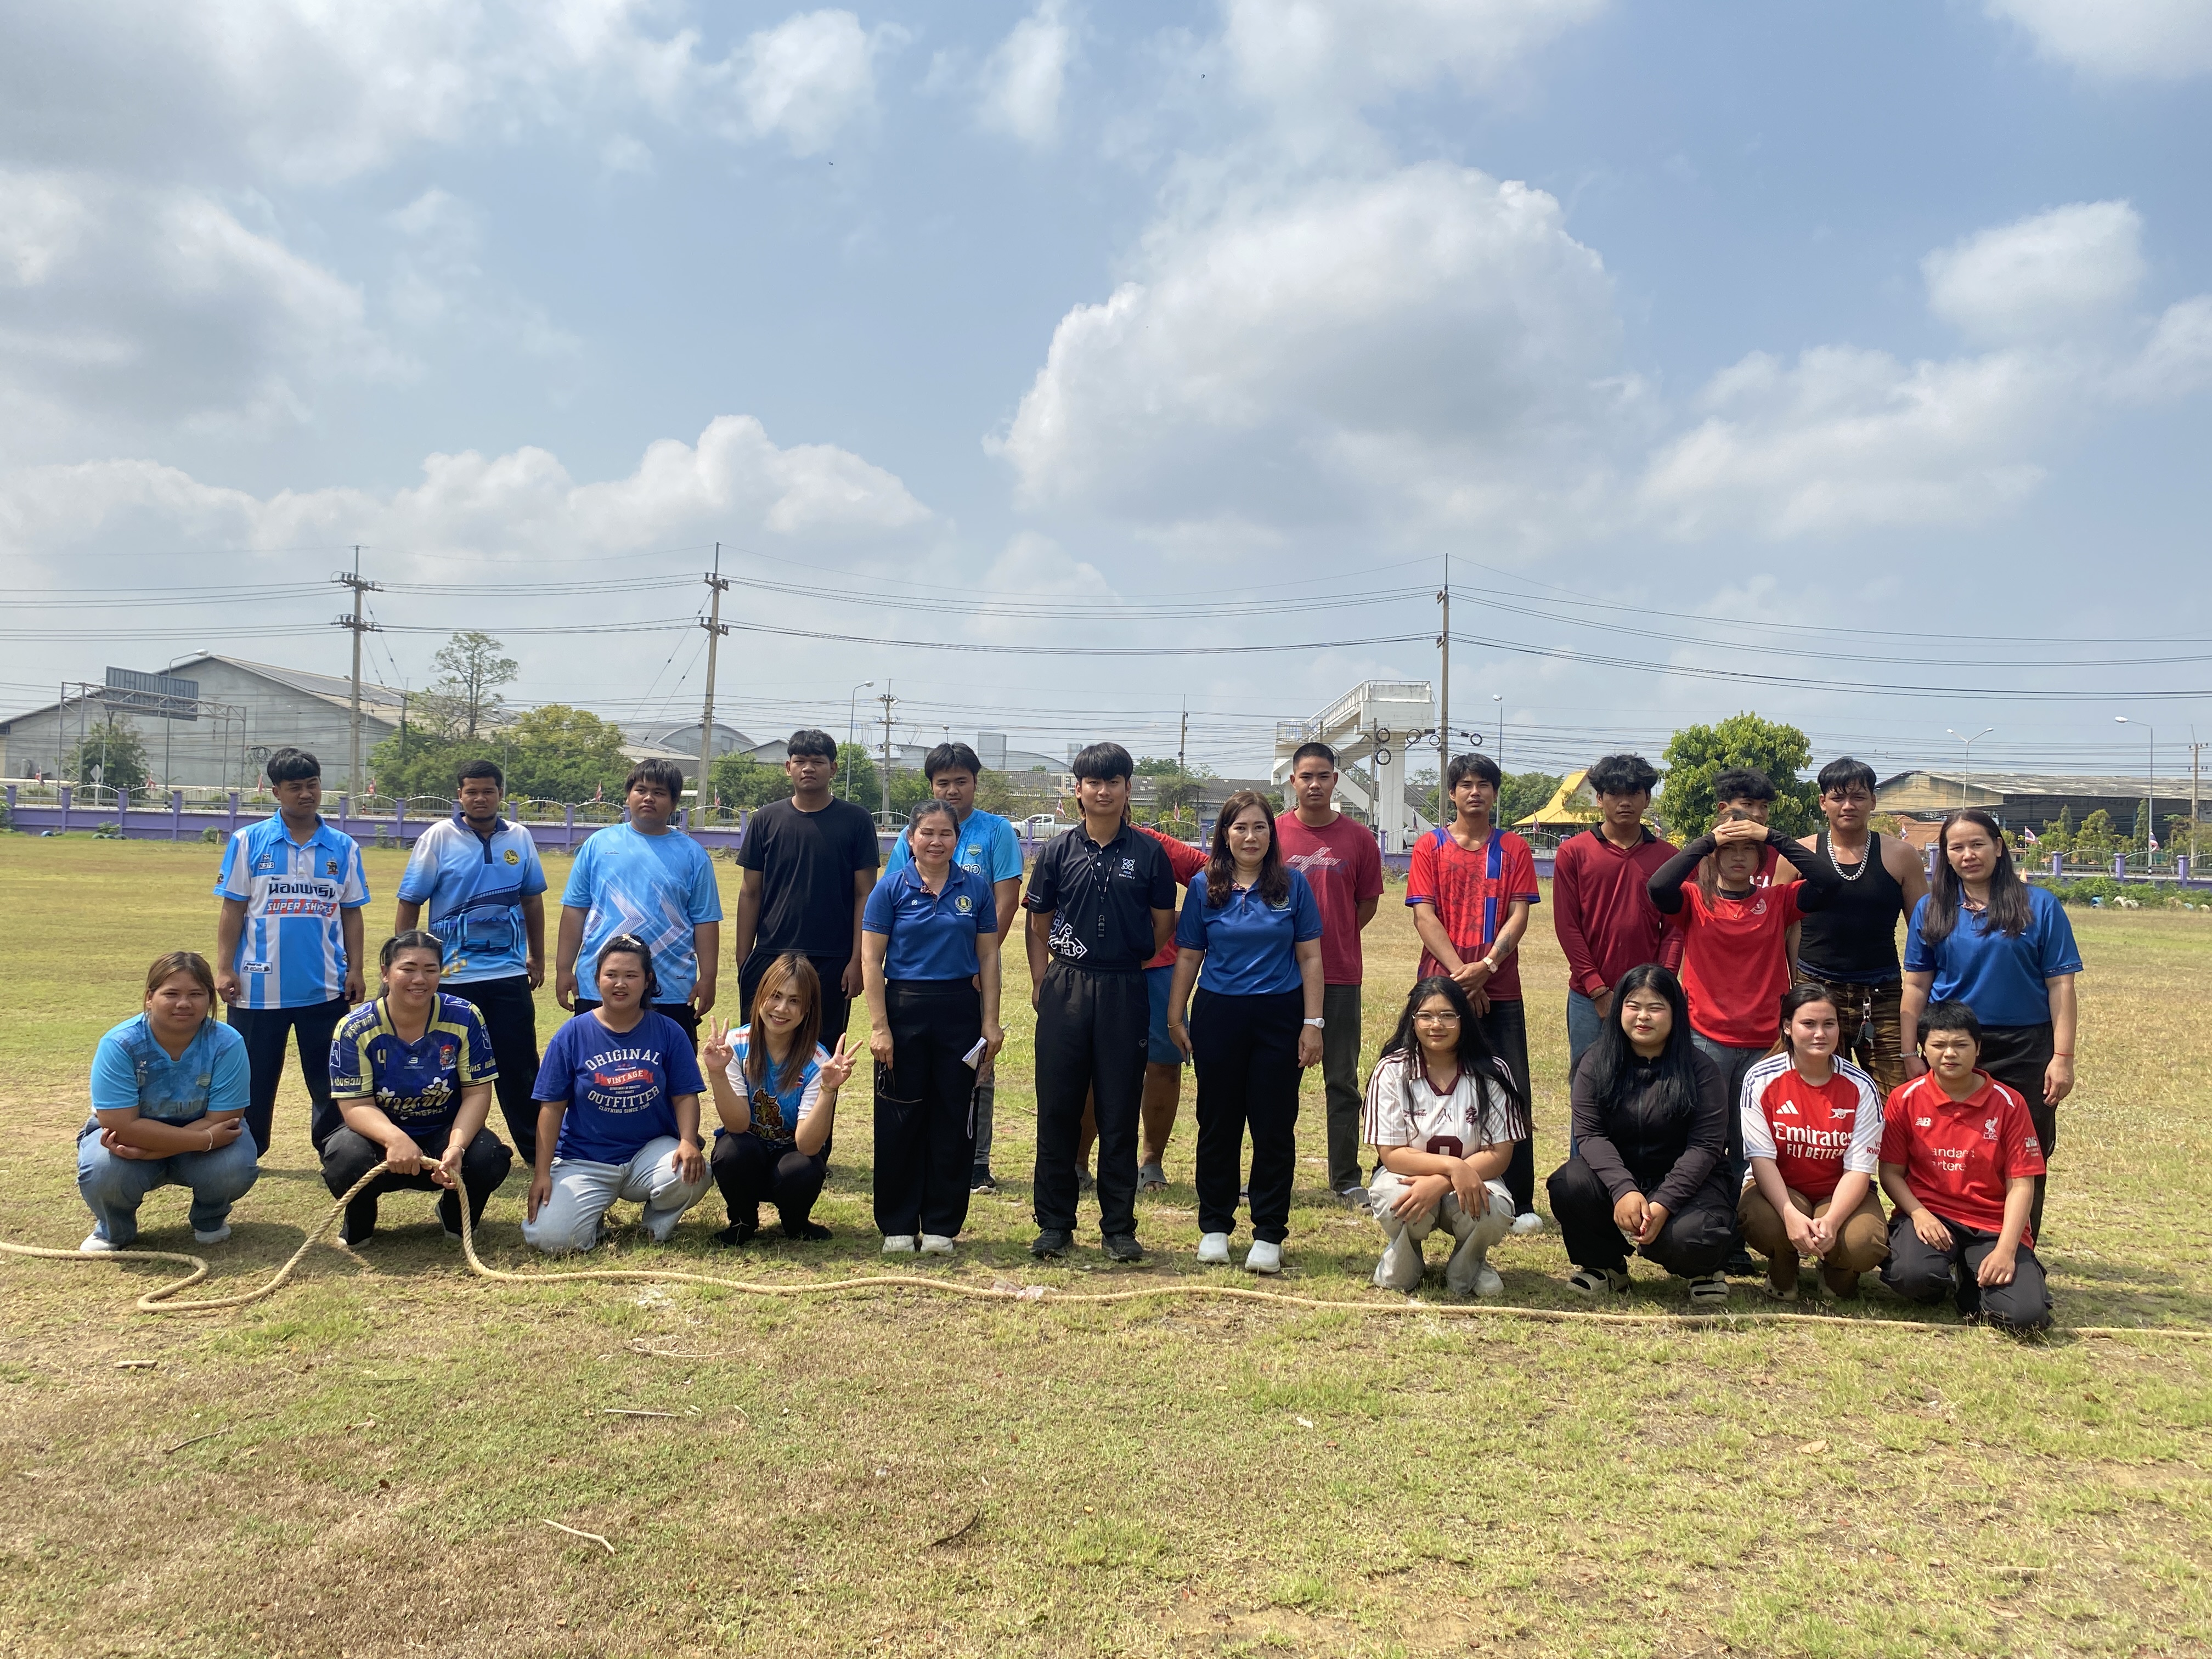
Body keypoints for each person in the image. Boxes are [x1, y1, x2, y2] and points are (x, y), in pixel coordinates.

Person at [1023, 741, 1177, 1261]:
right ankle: (1054, 1223)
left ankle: (1118, 1227)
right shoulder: (1057, 851)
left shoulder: (1149, 853)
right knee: (1058, 1108)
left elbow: (1162, 926)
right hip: (1066, 985)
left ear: (1128, 789)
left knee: (1118, 1107)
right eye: (1094, 782)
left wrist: (1126, 957)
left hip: (1124, 987)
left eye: (1113, 782)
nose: (1103, 791)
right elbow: (1039, 921)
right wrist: (1056, 969)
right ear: (1079, 790)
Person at [1900, 808, 2079, 1240]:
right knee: (1948, 1148)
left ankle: (2018, 1246)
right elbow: (1917, 985)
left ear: (1999, 847)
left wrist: (2062, 1057)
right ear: (1945, 855)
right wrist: (1909, 1052)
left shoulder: (2040, 905)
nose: (1968, 855)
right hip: (1951, 1044)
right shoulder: (1931, 909)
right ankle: (1947, 1242)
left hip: (2025, 1048)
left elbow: (2061, 986)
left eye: (1978, 844)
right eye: (1956, 847)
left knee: (2025, 1153)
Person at [1165, 790, 1324, 1274]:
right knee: (1218, 1122)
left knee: (1273, 1125)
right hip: (1220, 1014)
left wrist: (1313, 1023)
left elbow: (1310, 957)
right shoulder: (1204, 886)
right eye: (1240, 828)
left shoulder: (1293, 885)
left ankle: (1269, 1232)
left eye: (1259, 827)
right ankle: (1215, 1225)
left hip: (1280, 1014)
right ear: (1224, 834)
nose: (1250, 837)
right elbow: (1189, 955)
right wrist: (1175, 1016)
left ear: (1271, 834)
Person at [1645, 804, 1842, 1175]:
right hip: (1706, 1038)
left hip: (1766, 1042)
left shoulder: (1778, 901)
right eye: (1728, 849)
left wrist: (1772, 837)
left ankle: (1745, 1205)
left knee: (1752, 1142)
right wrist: (1707, 841)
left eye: (1748, 848)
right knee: (1701, 1136)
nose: (1738, 857)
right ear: (1714, 854)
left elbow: (1829, 883)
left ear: (1761, 857)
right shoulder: (1693, 900)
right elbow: (1657, 887)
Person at [862, 800, 1007, 1254]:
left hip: (959, 1010)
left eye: (946, 833)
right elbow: (871, 959)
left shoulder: (975, 889)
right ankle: (898, 1224)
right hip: (903, 1008)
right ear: (911, 838)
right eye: (927, 832)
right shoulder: (891, 888)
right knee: (900, 1116)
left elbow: (989, 956)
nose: (936, 841)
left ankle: (943, 1224)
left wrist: (990, 1021)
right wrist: (880, 1027)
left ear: (957, 840)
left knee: (953, 1116)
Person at [1407, 752, 1543, 1230]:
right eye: (1465, 784)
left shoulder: (1515, 849)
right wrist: (1462, 978)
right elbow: (1424, 915)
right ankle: (1407, 1177)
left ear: (1494, 793)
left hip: (1499, 988)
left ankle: (1520, 1200)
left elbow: (1519, 914)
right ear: (1451, 793)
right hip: (1440, 992)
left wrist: (1487, 967)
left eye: (1484, 784)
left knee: (1510, 1087)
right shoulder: (1430, 846)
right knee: (1425, 1082)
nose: (1475, 792)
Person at [882, 743, 1024, 1195]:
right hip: (918, 980)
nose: (953, 790)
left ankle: (976, 1161)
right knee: (917, 1070)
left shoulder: (996, 831)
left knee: (977, 1065)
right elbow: (894, 897)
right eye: (943, 782)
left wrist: (981, 961)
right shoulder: (914, 834)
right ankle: (922, 1154)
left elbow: (1005, 899)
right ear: (931, 786)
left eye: (962, 781)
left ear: (975, 783)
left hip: (972, 973)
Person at [213, 747, 369, 1154]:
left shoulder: (344, 847)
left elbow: (352, 913)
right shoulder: (248, 841)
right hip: (257, 989)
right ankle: (245, 1153)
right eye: (295, 787)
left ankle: (337, 1151)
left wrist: (356, 969)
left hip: (325, 987)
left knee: (330, 1079)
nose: (306, 794)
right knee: (252, 1079)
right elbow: (233, 908)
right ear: (276, 792)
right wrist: (224, 968)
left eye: (312, 785)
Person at [1546, 964, 1734, 1303]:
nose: (1643, 1017)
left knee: (1695, 1236)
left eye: (1656, 1007)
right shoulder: (1595, 1064)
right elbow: (1590, 1136)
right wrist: (1623, 1189)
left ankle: (1705, 1270)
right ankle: (1606, 1265)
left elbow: (1706, 1147)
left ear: (1675, 1013)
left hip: (1690, 1185)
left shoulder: (1701, 1070)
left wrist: (1664, 1203)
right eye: (1633, 1006)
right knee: (1568, 1182)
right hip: (1621, 1176)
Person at [393, 758, 549, 1161]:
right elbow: (410, 901)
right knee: (449, 1068)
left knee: (520, 1066)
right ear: (459, 795)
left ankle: (537, 1153)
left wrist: (536, 955)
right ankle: (447, 1147)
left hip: (507, 974)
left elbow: (532, 900)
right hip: (451, 977)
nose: (480, 798)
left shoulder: (520, 837)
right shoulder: (438, 837)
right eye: (472, 792)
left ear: (501, 794)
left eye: (488, 791)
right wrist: (402, 962)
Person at [320, 932, 513, 1247]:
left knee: (488, 1156)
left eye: (430, 969)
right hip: (379, 1141)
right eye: (408, 969)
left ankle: (455, 1215)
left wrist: (456, 1147)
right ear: (386, 973)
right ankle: (360, 1220)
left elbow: (477, 1094)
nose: (420, 979)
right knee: (345, 1158)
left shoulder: (466, 1017)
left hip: (441, 1133)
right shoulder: (355, 1027)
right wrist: (395, 1139)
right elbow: (355, 1106)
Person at [524, 935, 711, 1252]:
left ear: (648, 981)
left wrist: (688, 1141)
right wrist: (542, 1174)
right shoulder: (572, 1034)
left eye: (631, 975)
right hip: (585, 1158)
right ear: (597, 978)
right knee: (551, 1239)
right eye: (611, 975)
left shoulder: (669, 1031)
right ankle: (590, 1217)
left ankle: (655, 1225)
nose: (620, 984)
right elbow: (551, 1108)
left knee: (692, 1173)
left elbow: (685, 1096)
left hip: (649, 1152)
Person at [1878, 1000, 2051, 1333]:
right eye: (1938, 1045)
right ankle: (1942, 1278)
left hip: (1991, 1225)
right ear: (1923, 1049)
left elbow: (2021, 1184)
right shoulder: (1904, 1098)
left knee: (2025, 1318)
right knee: (1911, 1277)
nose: (1950, 1054)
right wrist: (1919, 1214)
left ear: (1978, 1048)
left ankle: (1974, 1284)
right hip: (1932, 1217)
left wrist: (2006, 1251)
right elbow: (1890, 1173)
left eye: (1961, 1045)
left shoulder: (2010, 1103)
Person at [77, 952, 259, 1251]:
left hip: (178, 1140)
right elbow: (121, 1125)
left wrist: (151, 1152)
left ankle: (210, 1219)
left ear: (210, 1000)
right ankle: (114, 1230)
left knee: (233, 1165)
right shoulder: (119, 1043)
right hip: (145, 1140)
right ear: (150, 998)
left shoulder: (228, 1043)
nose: (184, 1003)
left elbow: (223, 1121)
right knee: (104, 1168)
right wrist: (203, 1140)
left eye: (196, 994)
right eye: (171, 994)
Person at [1363, 977, 1528, 1297]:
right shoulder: (1392, 1070)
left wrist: (1442, 1182)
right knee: (1392, 1196)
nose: (1436, 1025)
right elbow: (1392, 1155)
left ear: (1464, 1020)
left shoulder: (1492, 1072)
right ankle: (1405, 1257)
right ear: (1412, 1021)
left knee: (1494, 1208)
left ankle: (1470, 1264)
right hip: (1410, 1176)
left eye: (1448, 1015)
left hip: (1474, 1177)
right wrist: (1453, 1168)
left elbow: (1500, 1154)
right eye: (1426, 1016)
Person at [1275, 742, 1386, 1211]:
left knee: (1341, 1080)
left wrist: (1330, 937)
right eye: (1306, 776)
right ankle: (1272, 1175)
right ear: (1293, 782)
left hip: (1340, 975)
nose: (1315, 784)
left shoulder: (1359, 838)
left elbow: (1367, 903)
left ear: (1336, 780)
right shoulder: (1273, 833)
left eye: (1323, 776)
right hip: (1280, 977)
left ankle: (1345, 1179)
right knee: (1277, 1082)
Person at [1071, 820, 1206, 1193]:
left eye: (1117, 790)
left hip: (1160, 970)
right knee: (1091, 1068)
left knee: (1163, 1066)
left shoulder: (1154, 844)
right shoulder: (1072, 845)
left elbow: (1212, 872)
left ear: (1127, 794)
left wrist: (1182, 920)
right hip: (1096, 968)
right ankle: (1079, 1162)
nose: (1107, 795)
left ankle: (1151, 1162)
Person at [1786, 758, 1927, 1097]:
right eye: (1838, 798)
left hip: (1882, 994)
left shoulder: (1902, 856)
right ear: (1823, 802)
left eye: (1858, 797)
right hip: (1814, 990)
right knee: (1819, 1096)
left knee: (1897, 1097)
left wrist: (1924, 995)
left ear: (1873, 801)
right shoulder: (1797, 854)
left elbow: (1924, 932)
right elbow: (1779, 930)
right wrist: (1791, 991)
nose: (1848, 806)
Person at [1737, 986, 1887, 1300]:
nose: (1820, 1034)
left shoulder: (1861, 1086)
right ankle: (1783, 1268)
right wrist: (1789, 1214)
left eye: (1829, 1024)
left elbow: (1859, 1169)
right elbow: (1761, 1160)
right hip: (1782, 1189)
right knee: (1765, 1222)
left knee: (1864, 1242)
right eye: (1809, 1024)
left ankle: (1837, 1271)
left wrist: (1832, 1221)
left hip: (1838, 1193)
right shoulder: (1760, 1079)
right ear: (1787, 1027)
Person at [731, 729, 879, 1045]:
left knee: (822, 1052)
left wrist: (857, 960)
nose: (808, 768)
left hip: (832, 959)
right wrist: (744, 960)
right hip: (771, 953)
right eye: (800, 761)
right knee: (762, 1048)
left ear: (833, 768)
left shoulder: (856, 820)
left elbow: (865, 894)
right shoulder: (766, 819)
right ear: (788, 768)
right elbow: (750, 892)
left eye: (818, 762)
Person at [555, 759, 721, 1042]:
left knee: (670, 1066)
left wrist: (708, 978)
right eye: (641, 790)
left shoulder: (693, 855)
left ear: (674, 802)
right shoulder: (598, 845)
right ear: (628, 796)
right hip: (601, 983)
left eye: (659, 792)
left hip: (671, 986)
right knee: (595, 1064)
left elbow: (705, 921)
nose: (648, 798)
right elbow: (575, 911)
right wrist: (563, 969)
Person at [701, 955, 855, 1245]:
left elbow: (808, 1145)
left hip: (789, 1158)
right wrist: (717, 1073)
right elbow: (737, 1125)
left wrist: (828, 1089)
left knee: (803, 1167)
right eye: (776, 996)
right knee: (731, 1151)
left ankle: (795, 1223)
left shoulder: (818, 1061)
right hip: (750, 1154)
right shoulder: (734, 1046)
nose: (782, 1009)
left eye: (795, 1001)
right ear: (761, 996)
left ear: (807, 1010)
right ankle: (743, 1221)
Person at [1550, 753, 1683, 1082]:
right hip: (1589, 997)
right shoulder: (1574, 852)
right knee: (1589, 1086)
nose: (1625, 802)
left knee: (1648, 1086)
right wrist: (1597, 989)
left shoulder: (1669, 857)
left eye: (1634, 793)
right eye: (1615, 793)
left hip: (1649, 997)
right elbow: (1568, 926)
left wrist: (1660, 986)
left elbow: (1675, 930)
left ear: (1647, 798)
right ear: (1599, 799)